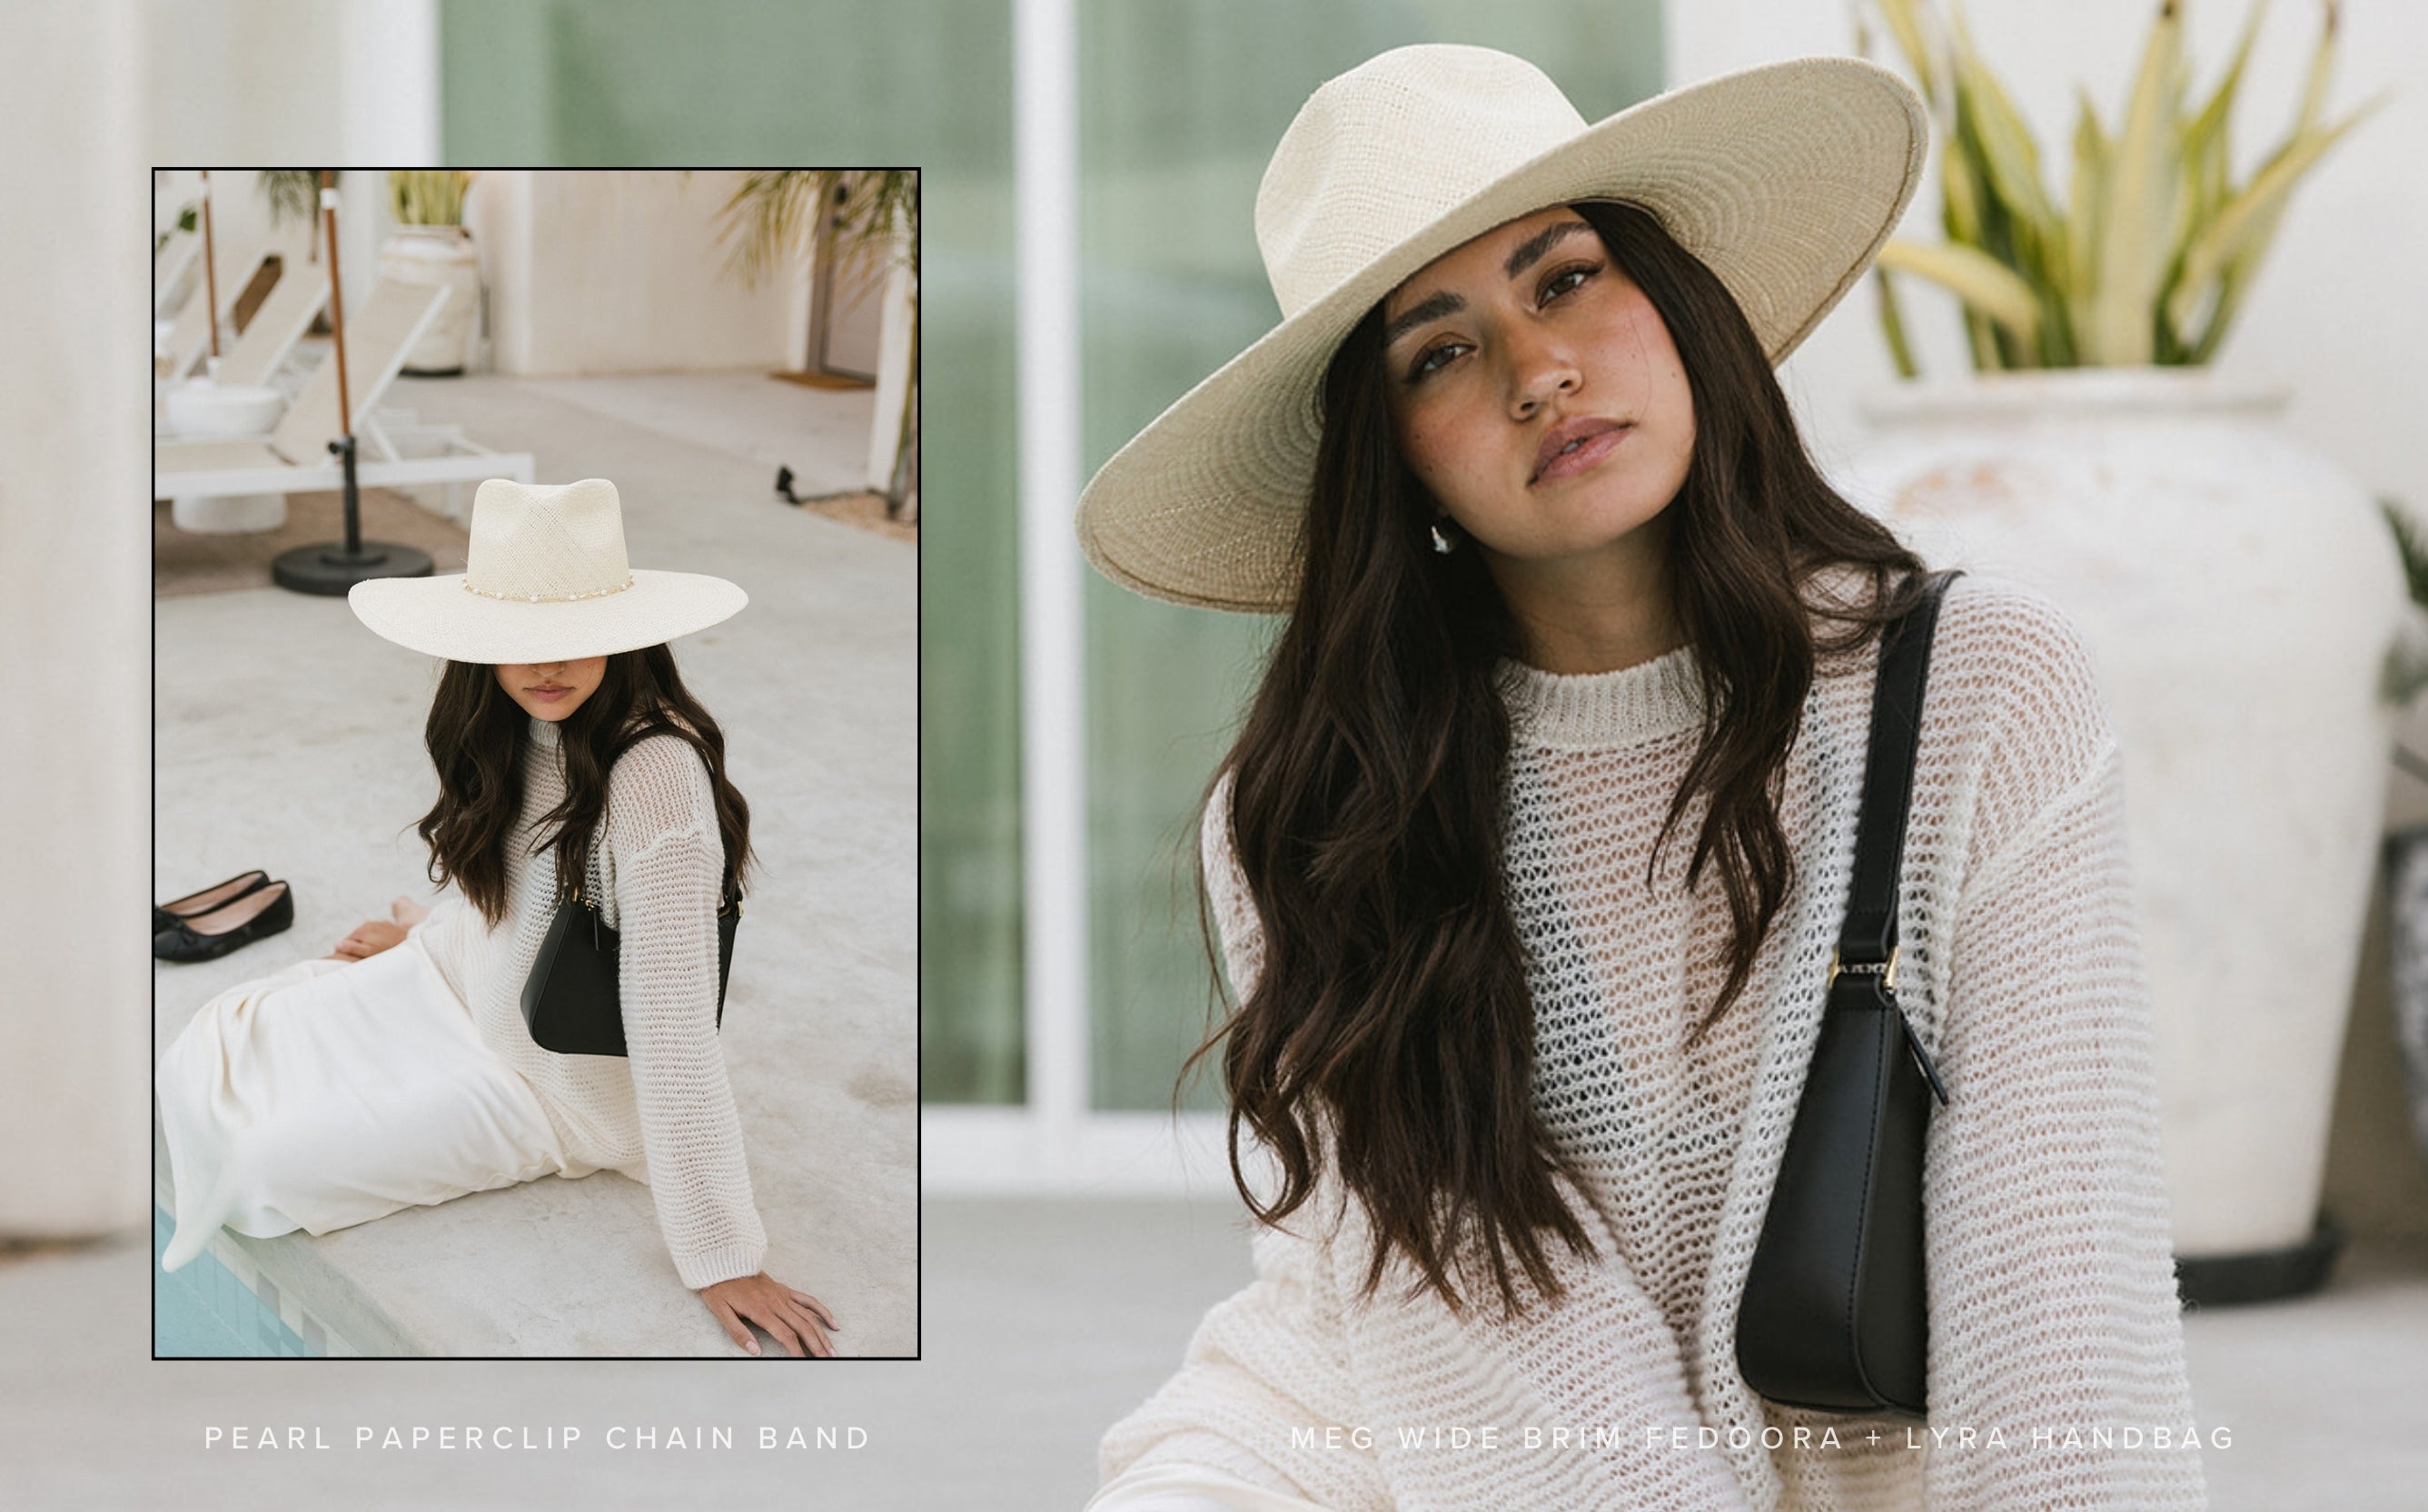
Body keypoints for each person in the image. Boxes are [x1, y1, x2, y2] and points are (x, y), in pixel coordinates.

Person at [1074, 46, 2205, 1511]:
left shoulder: (1986, 700)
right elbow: (1496, 1376)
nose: (1537, 371)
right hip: (1386, 1441)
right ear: (1392, 458)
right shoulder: (1318, 820)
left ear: (1671, 294)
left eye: (1563, 278)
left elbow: (2061, 1353)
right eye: (1438, 351)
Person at [155, 476, 838, 1360]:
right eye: (518, 642)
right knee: (211, 1049)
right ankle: (424, 951)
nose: (544, 667)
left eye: (572, 639)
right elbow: (521, 883)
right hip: (460, 983)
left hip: (552, 1081)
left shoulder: (655, 776)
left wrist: (722, 1252)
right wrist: (430, 932)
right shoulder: (510, 719)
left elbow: (673, 1028)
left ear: (624, 634)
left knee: (260, 1168)